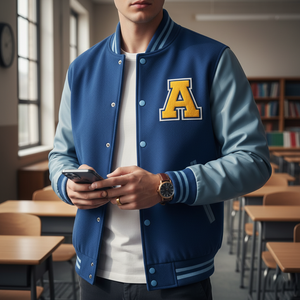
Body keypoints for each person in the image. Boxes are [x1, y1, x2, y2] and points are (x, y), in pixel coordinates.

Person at [48, 0, 272, 299]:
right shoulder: (81, 70)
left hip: (180, 277)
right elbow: (60, 154)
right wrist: (67, 184)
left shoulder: (212, 59)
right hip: (94, 275)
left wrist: (166, 186)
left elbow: (253, 160)